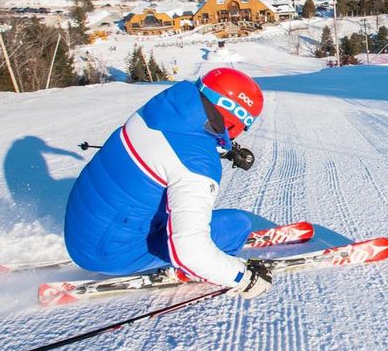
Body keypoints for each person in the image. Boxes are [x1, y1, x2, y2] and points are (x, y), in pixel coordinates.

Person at [63, 67, 274, 299]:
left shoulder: (160, 111)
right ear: (235, 121)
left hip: (83, 228)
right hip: (107, 253)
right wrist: (243, 277)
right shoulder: (197, 166)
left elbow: (175, 146)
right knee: (238, 225)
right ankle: (184, 273)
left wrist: (223, 147)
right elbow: (191, 252)